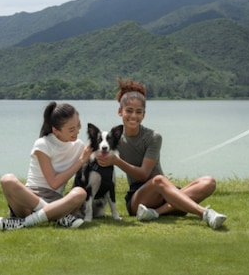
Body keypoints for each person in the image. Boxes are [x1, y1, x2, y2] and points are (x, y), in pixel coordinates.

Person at [96, 78, 227, 230]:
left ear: (144, 115)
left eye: (139, 112)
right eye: (129, 111)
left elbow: (144, 174)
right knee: (159, 181)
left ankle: (156, 213)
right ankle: (205, 214)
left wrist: (117, 161)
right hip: (139, 198)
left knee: (209, 182)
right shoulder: (113, 139)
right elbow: (94, 149)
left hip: (164, 193)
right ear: (120, 111)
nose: (134, 116)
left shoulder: (153, 137)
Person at [0, 101, 92, 231]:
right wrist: (81, 161)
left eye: (78, 125)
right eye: (71, 129)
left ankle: (23, 223)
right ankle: (56, 217)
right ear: (56, 131)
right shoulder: (43, 144)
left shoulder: (79, 146)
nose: (77, 131)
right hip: (29, 199)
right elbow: (54, 183)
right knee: (7, 180)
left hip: (56, 200)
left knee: (80, 193)